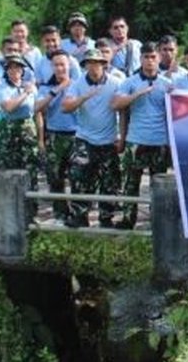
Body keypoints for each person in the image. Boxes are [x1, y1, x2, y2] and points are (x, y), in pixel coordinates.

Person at [113, 42, 172, 229]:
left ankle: (157, 221)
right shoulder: (129, 82)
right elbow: (115, 104)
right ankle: (128, 219)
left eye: (153, 57)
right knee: (131, 183)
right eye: (146, 57)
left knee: (159, 185)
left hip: (160, 140)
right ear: (140, 59)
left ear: (159, 58)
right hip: (136, 140)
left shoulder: (167, 84)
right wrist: (136, 94)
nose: (150, 61)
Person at [64, 50, 125, 228]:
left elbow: (122, 110)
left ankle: (106, 217)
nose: (94, 66)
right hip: (85, 138)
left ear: (104, 64)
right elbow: (65, 107)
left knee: (110, 181)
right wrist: (84, 97)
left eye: (97, 62)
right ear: (85, 65)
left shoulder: (115, 83)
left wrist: (121, 136)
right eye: (90, 63)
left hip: (108, 139)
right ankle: (80, 215)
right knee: (79, 177)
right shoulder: (78, 84)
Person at [0, 55, 41, 220]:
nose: (14, 70)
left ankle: (32, 212)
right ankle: (11, 212)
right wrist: (25, 93)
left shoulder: (30, 87)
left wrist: (40, 139)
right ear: (6, 70)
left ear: (22, 70)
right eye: (11, 67)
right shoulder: (2, 87)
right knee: (10, 172)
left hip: (28, 131)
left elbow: (37, 112)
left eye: (18, 67)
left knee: (31, 171)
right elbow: (8, 107)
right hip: (9, 132)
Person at [36, 51, 77, 222]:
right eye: (56, 65)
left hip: (77, 136)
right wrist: (58, 89)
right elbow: (37, 107)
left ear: (69, 65)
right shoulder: (46, 88)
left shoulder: (78, 84)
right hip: (55, 136)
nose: (60, 68)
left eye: (63, 64)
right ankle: (60, 214)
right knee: (55, 178)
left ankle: (77, 214)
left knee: (77, 178)